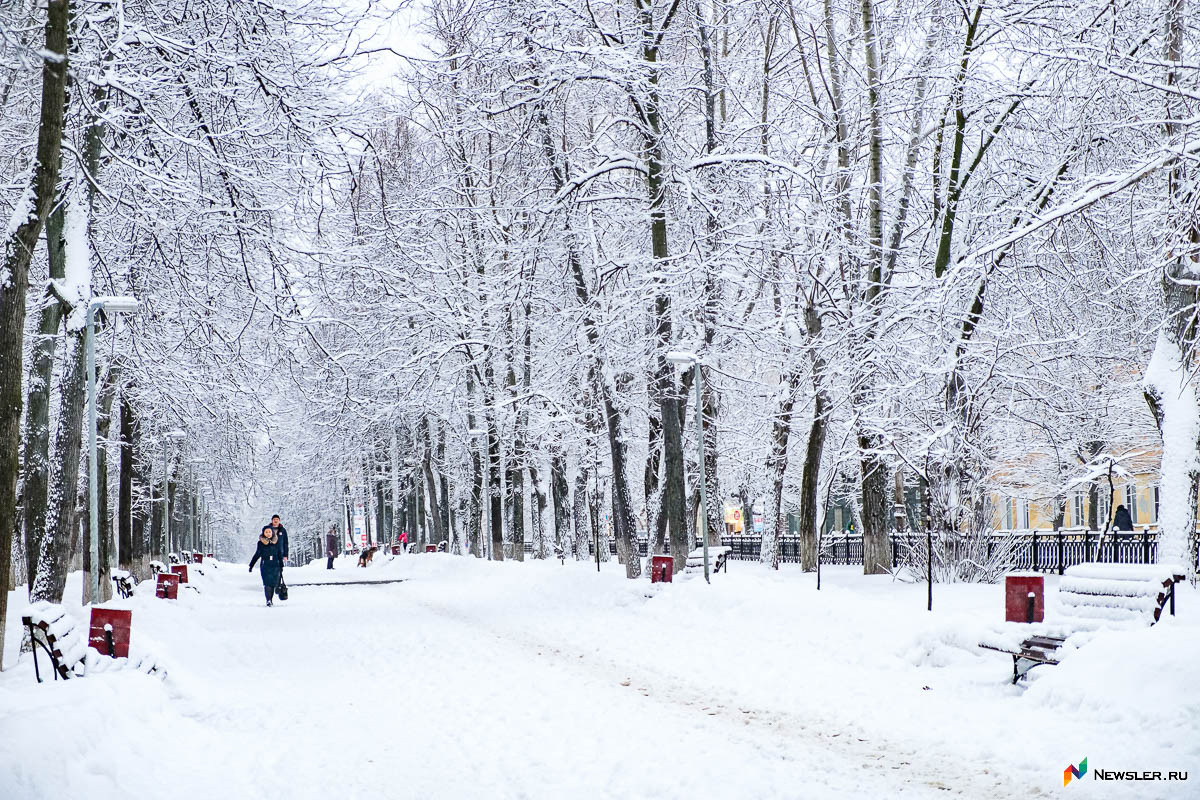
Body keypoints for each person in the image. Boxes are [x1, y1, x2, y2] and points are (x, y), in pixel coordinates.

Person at [249, 525, 283, 606]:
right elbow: (257, 554)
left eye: (269, 532)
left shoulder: (277, 542)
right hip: (265, 565)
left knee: (273, 583)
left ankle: (271, 598)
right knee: (267, 583)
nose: (268, 533)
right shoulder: (261, 543)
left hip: (275, 565)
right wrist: (251, 565)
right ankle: (268, 600)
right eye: (266, 532)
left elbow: (279, 554)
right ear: (263, 533)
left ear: (272, 533)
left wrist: (281, 565)